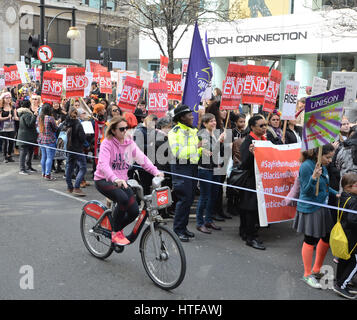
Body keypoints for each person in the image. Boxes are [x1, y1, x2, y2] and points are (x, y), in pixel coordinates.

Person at [94, 116, 163, 246]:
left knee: (134, 211)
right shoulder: (107, 143)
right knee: (123, 199)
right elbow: (103, 164)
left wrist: (156, 172)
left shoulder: (129, 142)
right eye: (121, 129)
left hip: (123, 181)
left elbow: (142, 158)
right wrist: (115, 179)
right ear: (113, 130)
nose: (125, 131)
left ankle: (116, 228)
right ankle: (115, 232)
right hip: (104, 180)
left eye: (127, 128)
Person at [293, 144, 338, 289]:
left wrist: (336, 193)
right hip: (310, 207)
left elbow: (324, 185)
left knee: (326, 237)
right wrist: (313, 177)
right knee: (310, 239)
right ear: (319, 154)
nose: (330, 160)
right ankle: (307, 274)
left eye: (331, 157)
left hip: (322, 206)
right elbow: (306, 191)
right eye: (328, 157)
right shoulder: (306, 166)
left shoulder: (321, 164)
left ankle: (316, 269)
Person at [168, 104, 202, 242]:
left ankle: (184, 227)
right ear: (182, 117)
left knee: (189, 199)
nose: (192, 117)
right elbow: (178, 153)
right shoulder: (174, 132)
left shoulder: (192, 130)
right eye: (189, 115)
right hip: (181, 168)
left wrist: (199, 150)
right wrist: (196, 147)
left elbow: (196, 152)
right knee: (183, 199)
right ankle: (178, 230)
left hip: (192, 168)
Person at [238, 115, 267, 250]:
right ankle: (251, 237)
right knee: (250, 208)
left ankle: (245, 232)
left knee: (251, 208)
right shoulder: (248, 141)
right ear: (253, 127)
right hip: (250, 180)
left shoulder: (264, 140)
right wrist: (251, 154)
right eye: (261, 126)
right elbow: (244, 164)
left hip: (260, 180)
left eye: (265, 125)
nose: (264, 128)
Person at [196, 113, 225, 234]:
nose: (214, 123)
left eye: (214, 121)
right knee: (204, 196)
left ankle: (208, 219)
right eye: (211, 121)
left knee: (214, 196)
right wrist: (219, 141)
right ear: (205, 124)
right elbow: (211, 151)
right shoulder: (202, 135)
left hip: (217, 168)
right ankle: (199, 223)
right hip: (205, 169)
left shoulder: (216, 133)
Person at [333, 172, 357, 299]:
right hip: (352, 236)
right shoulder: (353, 201)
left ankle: (339, 281)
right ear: (348, 187)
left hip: (344, 233)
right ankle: (341, 286)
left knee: (344, 259)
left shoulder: (343, 196)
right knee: (354, 262)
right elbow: (353, 220)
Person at [62, 107, 87, 196]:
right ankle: (76, 187)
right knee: (83, 167)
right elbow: (82, 138)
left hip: (69, 148)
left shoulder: (66, 123)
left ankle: (69, 187)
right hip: (77, 149)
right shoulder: (78, 124)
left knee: (69, 167)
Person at [37, 103, 58, 181]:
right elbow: (55, 129)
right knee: (49, 157)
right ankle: (48, 174)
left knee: (44, 156)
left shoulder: (39, 117)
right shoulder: (50, 118)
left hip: (41, 139)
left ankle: (43, 173)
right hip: (49, 140)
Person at [17, 99, 38, 175]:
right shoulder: (27, 114)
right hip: (25, 137)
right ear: (29, 106)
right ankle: (22, 169)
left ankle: (28, 167)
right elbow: (29, 124)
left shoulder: (22, 113)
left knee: (29, 152)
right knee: (24, 153)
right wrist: (35, 115)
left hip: (27, 137)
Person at [0, 91, 19, 162]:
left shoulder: (13, 107)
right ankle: (5, 156)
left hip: (11, 126)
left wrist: (19, 118)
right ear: (3, 99)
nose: (8, 99)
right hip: (3, 127)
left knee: (11, 141)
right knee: (5, 142)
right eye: (7, 98)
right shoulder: (1, 107)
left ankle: (9, 155)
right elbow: (0, 118)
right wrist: (7, 117)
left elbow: (16, 117)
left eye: (9, 98)